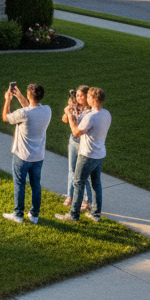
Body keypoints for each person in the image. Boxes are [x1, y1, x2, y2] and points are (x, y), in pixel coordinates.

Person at [57, 87, 111, 222]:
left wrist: (69, 115)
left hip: (87, 154)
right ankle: (96, 214)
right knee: (96, 184)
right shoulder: (106, 114)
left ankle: (74, 215)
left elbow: (76, 133)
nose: (86, 99)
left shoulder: (91, 117)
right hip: (99, 154)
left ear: (93, 99)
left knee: (77, 182)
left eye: (88, 97)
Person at [1, 82, 50, 224]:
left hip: (22, 156)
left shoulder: (24, 113)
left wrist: (8, 100)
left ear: (29, 95)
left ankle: (18, 214)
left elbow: (6, 117)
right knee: (36, 185)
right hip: (38, 157)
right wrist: (20, 96)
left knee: (20, 184)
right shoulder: (47, 110)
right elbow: (31, 108)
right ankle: (34, 215)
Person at [62, 86, 95, 212]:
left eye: (82, 95)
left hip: (83, 143)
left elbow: (80, 128)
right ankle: (70, 196)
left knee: (83, 174)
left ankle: (87, 200)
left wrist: (71, 115)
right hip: (73, 141)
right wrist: (67, 114)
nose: (79, 98)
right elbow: (65, 119)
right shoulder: (75, 107)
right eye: (77, 95)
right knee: (71, 170)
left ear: (88, 97)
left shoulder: (90, 111)